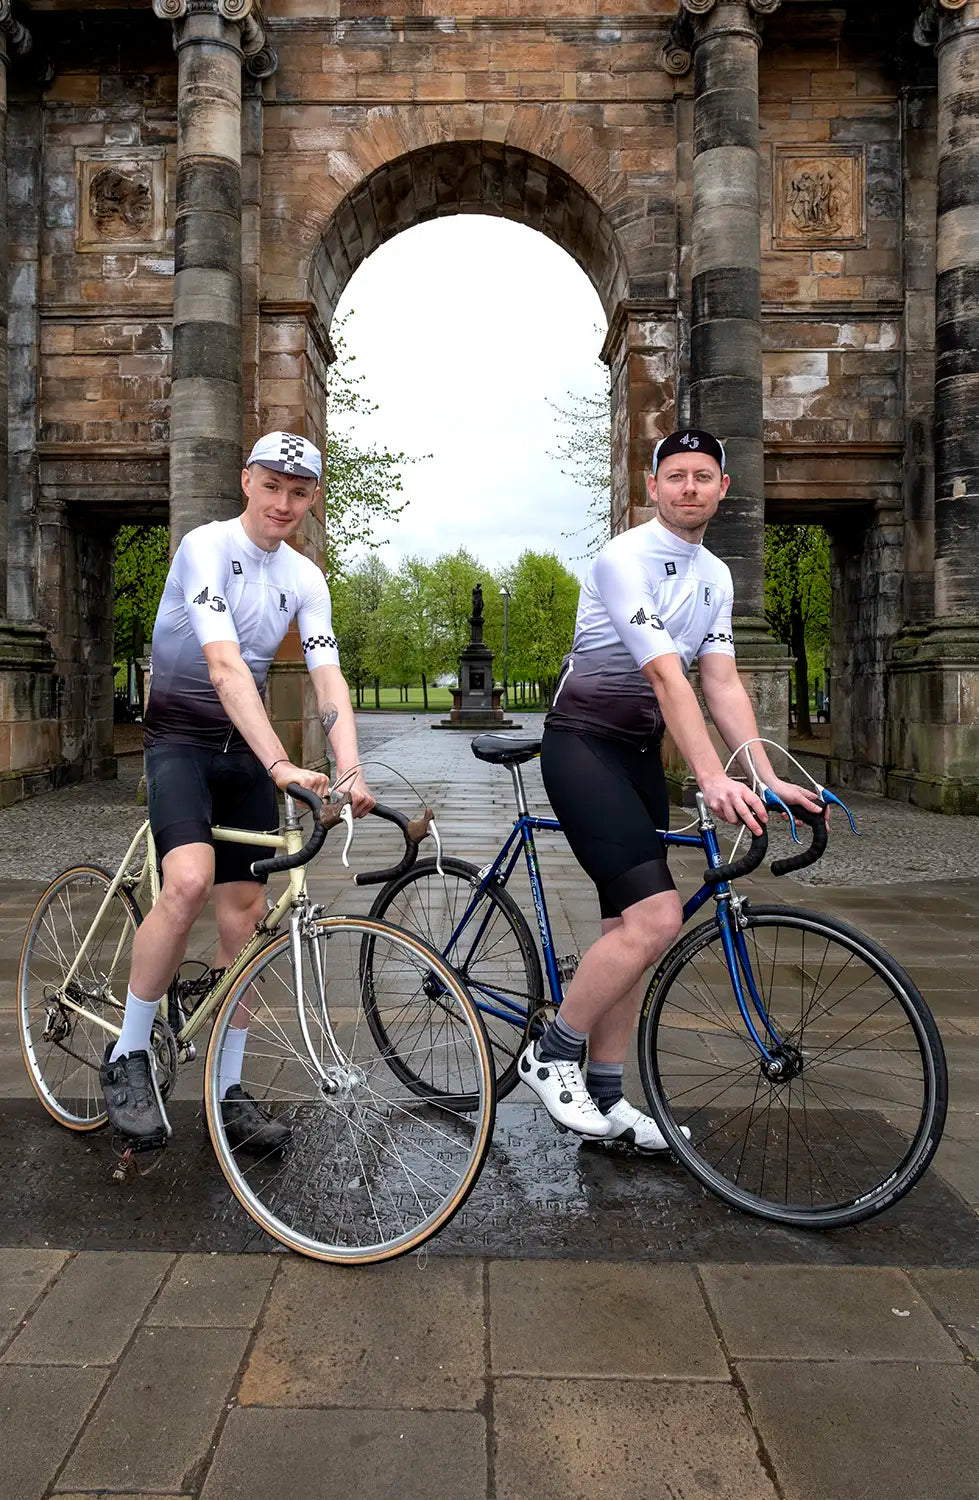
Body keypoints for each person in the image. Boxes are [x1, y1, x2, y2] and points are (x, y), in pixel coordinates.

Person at [521, 428, 824, 1149]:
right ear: (652, 487)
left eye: (703, 476)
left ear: (723, 489)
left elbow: (717, 677)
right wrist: (710, 777)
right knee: (656, 918)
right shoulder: (622, 557)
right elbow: (665, 674)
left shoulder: (715, 576)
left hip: (634, 756)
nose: (689, 487)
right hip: (581, 744)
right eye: (675, 476)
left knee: (628, 934)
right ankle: (551, 1052)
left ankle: (605, 1094)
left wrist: (761, 772)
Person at [100, 431, 374, 1149]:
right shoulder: (206, 547)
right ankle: (128, 1052)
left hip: (240, 756)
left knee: (246, 921)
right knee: (186, 881)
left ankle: (227, 1090)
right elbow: (224, 668)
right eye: (273, 486)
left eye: (299, 492)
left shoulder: (305, 577)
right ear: (247, 481)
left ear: (312, 499)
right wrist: (284, 766)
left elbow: (327, 678)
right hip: (182, 743)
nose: (283, 503)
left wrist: (349, 766)